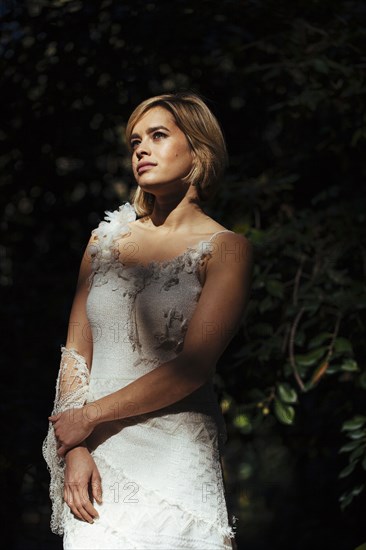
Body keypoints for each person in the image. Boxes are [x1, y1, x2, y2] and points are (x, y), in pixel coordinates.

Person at [42, 92, 252, 550]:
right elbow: (75, 353)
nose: (141, 148)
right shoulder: (103, 242)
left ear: (198, 149)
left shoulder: (229, 248)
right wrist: (74, 446)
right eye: (135, 140)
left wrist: (89, 416)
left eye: (158, 136)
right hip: (96, 459)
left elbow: (194, 367)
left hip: (175, 457)